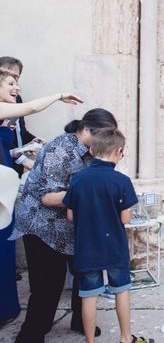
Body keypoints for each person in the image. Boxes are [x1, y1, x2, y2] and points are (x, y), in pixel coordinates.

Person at [10, 108, 118, 343]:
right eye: (104, 136)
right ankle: (31, 334)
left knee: (86, 273)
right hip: (42, 225)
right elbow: (48, 197)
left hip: (73, 225)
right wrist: (90, 191)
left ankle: (81, 320)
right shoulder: (60, 149)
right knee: (48, 283)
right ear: (87, 130)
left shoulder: (93, 150)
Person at [0, 70, 83, 328]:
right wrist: (59, 96)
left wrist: (25, 150)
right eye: (11, 83)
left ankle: (6, 309)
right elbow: (34, 107)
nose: (17, 88)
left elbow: (7, 152)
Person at [63, 128, 153, 343]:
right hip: (114, 245)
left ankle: (89, 341)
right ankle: (124, 338)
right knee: (121, 290)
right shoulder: (121, 181)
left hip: (87, 245)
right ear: (118, 151)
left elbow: (70, 215)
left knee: (88, 295)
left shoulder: (78, 179)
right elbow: (124, 219)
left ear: (92, 150)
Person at [0, 56, 43, 175]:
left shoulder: (16, 98)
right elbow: (33, 107)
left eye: (15, 77)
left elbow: (20, 131)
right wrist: (59, 96)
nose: (14, 83)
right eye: (5, 74)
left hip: (13, 164)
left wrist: (30, 143)